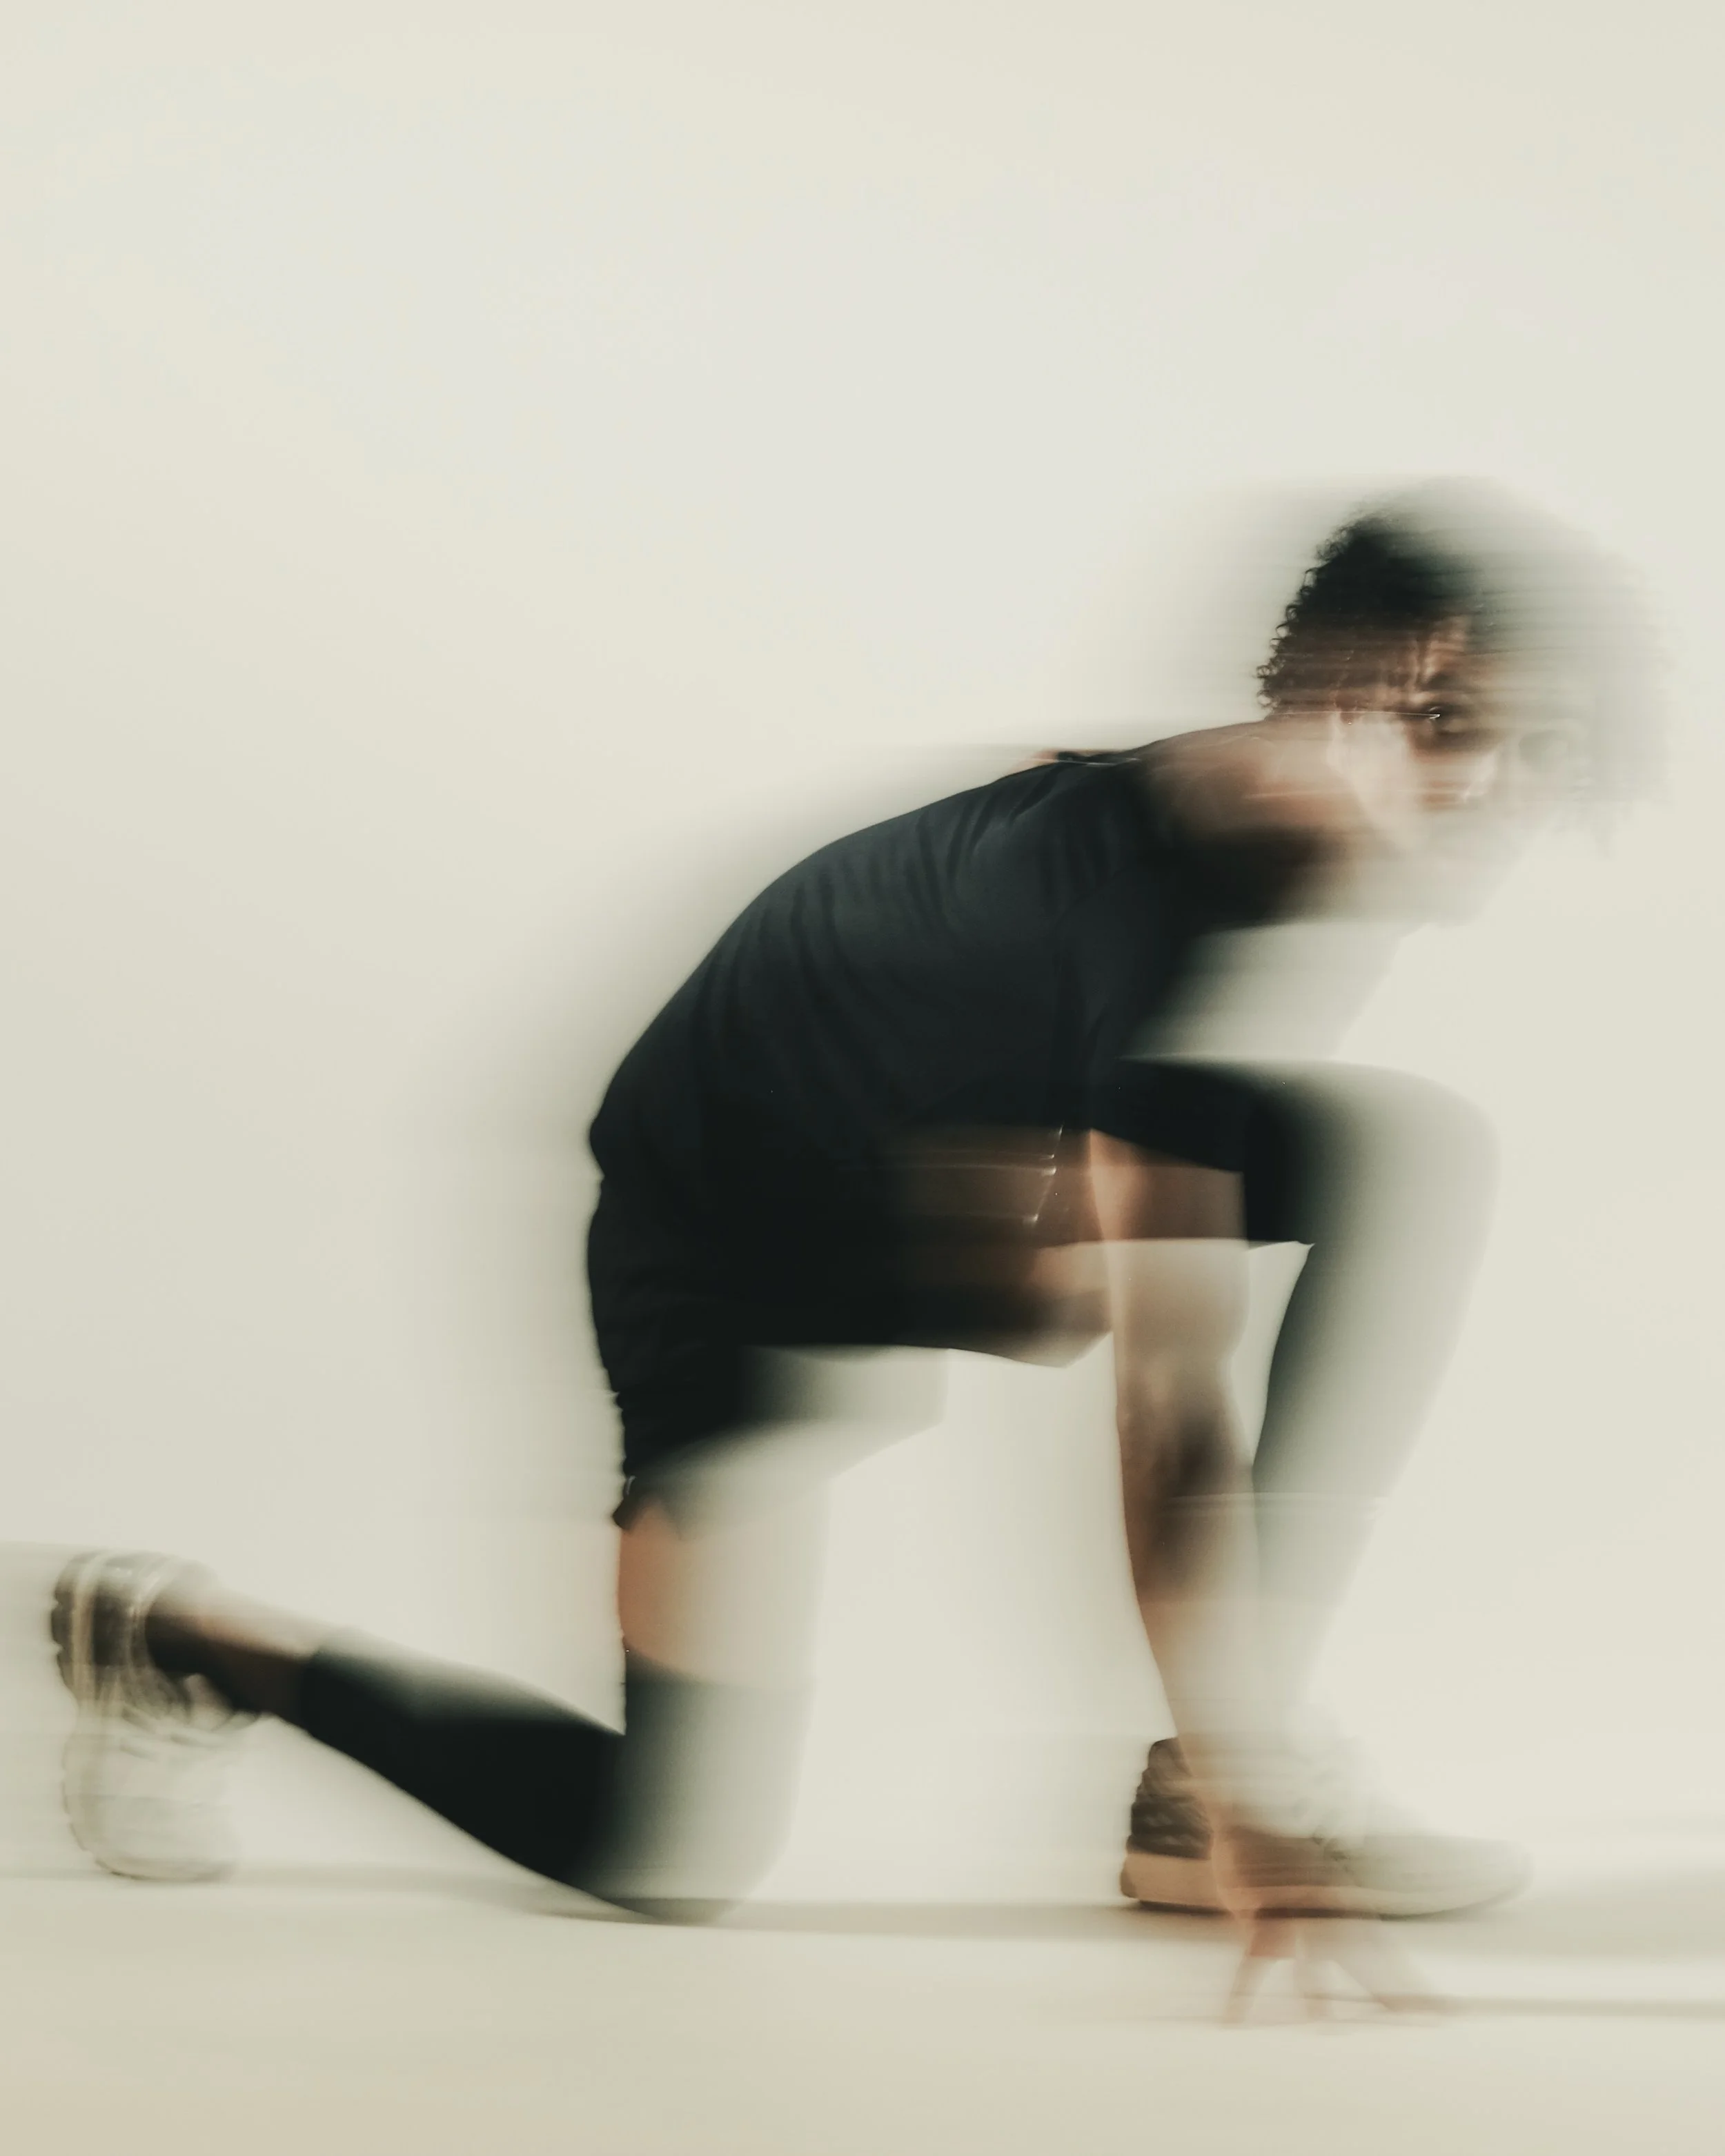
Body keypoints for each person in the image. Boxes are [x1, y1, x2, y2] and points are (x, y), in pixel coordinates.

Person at [48, 483, 1649, 1925]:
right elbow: (1167, 1407)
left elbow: (1023, 880)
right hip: (710, 1269)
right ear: (1329, 692)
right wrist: (1250, 1794)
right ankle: (182, 1635)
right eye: (1443, 722)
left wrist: (1011, 1214)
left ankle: (1189, 1776)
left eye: (1536, 748)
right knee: (649, 1844)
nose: (1485, 786)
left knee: (1382, 1157)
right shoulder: (1154, 921)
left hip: (901, 1189)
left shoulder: (1253, 825)